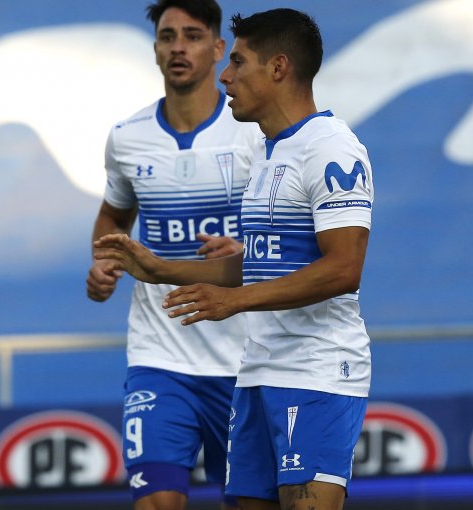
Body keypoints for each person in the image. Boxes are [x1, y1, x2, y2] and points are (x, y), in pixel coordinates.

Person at [95, 8, 374, 510]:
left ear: (278, 68)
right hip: (257, 371)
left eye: (238, 62)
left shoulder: (332, 149)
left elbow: (343, 269)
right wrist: (158, 269)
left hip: (315, 373)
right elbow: (260, 263)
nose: (226, 75)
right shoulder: (269, 153)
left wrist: (235, 301)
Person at [86, 1, 261, 509]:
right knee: (158, 501)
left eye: (191, 35)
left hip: (246, 359)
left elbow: (290, 229)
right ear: (156, 49)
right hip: (160, 356)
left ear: (218, 48)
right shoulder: (127, 138)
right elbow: (113, 217)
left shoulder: (253, 133)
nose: (178, 47)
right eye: (167, 37)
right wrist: (103, 262)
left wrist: (246, 250)